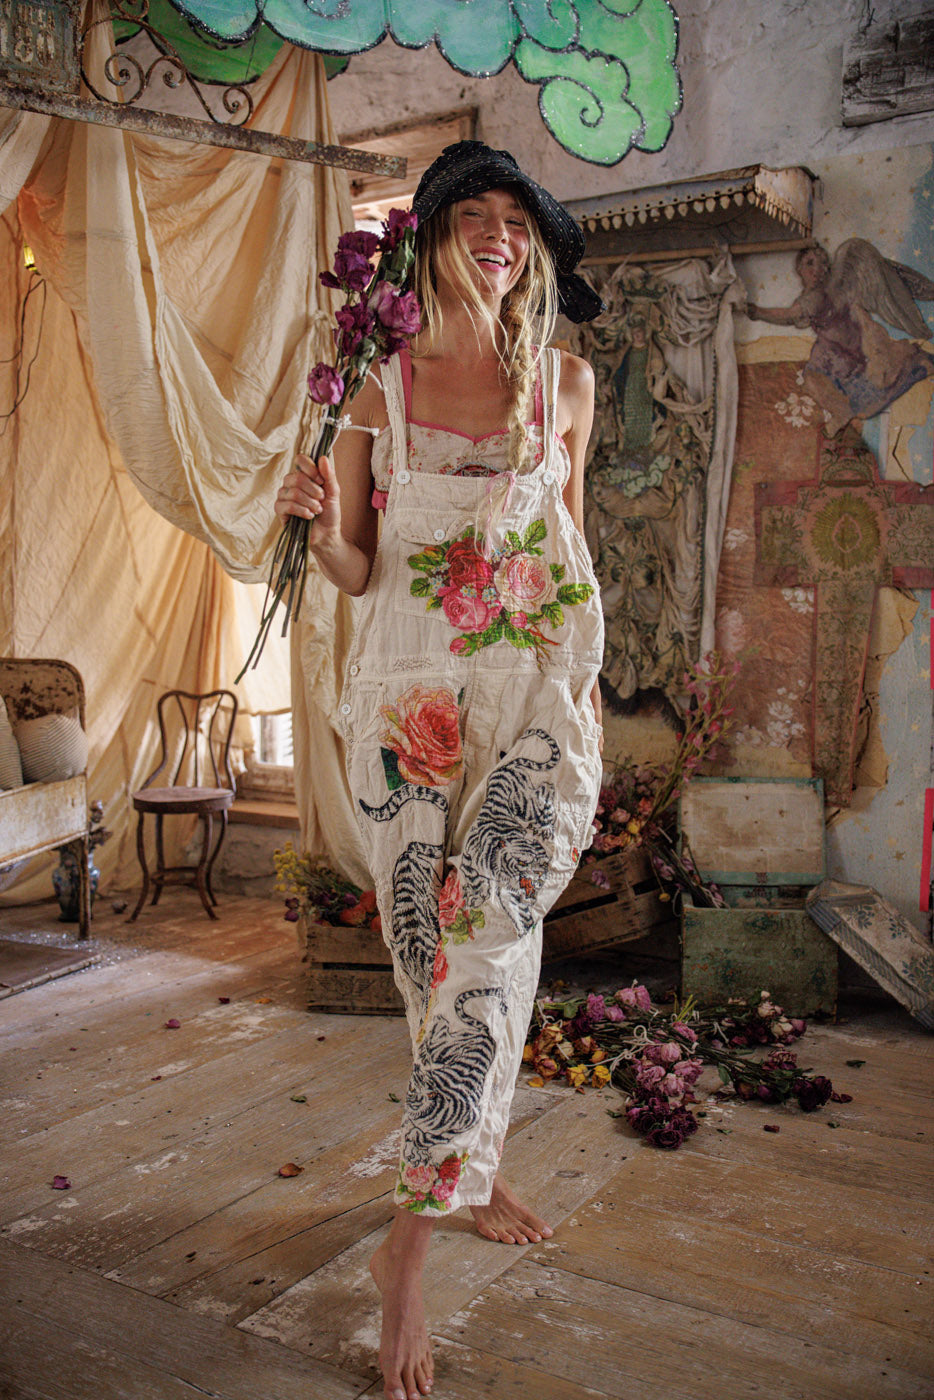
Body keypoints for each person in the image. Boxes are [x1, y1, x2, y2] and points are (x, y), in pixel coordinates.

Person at [275, 140, 605, 1400]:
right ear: (430, 238)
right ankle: (472, 1166)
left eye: (517, 221)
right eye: (475, 215)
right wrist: (318, 524)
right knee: (431, 955)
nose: (499, 237)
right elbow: (359, 568)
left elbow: (569, 541)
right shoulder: (373, 383)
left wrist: (581, 684)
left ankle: (403, 1252)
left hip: (530, 698)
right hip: (405, 694)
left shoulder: (564, 383)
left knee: (489, 932)